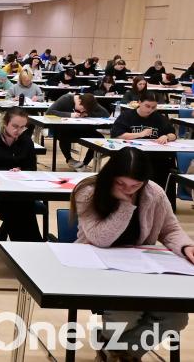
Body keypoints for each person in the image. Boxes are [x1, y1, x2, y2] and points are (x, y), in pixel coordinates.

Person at [70, 147, 193, 362]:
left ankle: (116, 351)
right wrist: (125, 204)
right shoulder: (88, 191)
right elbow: (100, 239)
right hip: (97, 267)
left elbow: (170, 229)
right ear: (110, 175)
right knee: (126, 314)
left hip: (140, 269)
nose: (128, 190)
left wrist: (185, 247)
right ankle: (119, 353)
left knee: (176, 318)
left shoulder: (154, 193)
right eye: (121, 183)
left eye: (135, 186)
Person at [0, 107, 45, 245]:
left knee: (22, 200)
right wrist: (5, 173)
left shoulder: (27, 142)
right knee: (21, 202)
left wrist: (21, 170)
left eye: (22, 127)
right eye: (15, 126)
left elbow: (32, 169)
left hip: (20, 187)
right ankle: (32, 245)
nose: (18, 131)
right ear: (5, 122)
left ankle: (9, 240)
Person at [110, 92, 177, 187]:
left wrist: (167, 136)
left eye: (153, 107)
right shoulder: (127, 116)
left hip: (155, 155)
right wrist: (140, 134)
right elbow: (118, 135)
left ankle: (162, 192)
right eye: (147, 106)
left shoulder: (159, 118)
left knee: (166, 163)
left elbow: (173, 134)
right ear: (139, 102)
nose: (150, 110)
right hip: (132, 155)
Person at [46, 93, 109, 171]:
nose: (82, 111)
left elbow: (106, 114)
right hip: (65, 130)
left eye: (84, 110)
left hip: (82, 129)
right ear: (79, 101)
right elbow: (49, 112)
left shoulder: (89, 102)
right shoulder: (66, 99)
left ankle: (84, 164)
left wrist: (88, 113)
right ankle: (69, 159)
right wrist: (70, 115)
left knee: (99, 138)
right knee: (64, 136)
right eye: (82, 108)